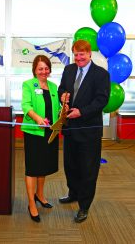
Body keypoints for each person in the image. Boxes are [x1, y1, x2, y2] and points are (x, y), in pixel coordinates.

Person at [58, 39, 110, 223]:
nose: (78, 57)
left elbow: (101, 100)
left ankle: (84, 206)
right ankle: (73, 193)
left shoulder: (101, 75)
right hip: (70, 129)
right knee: (70, 165)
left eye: (82, 54)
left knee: (88, 169)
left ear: (89, 54)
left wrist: (82, 112)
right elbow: (61, 89)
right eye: (76, 54)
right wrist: (62, 95)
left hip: (89, 130)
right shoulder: (69, 70)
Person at [21, 54, 61, 223]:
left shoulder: (53, 86)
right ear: (34, 70)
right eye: (40, 69)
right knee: (33, 168)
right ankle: (31, 203)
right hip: (34, 132)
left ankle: (40, 195)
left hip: (50, 132)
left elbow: (56, 107)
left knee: (43, 166)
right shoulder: (29, 85)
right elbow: (26, 105)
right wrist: (38, 119)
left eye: (46, 68)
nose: (43, 71)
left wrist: (62, 109)